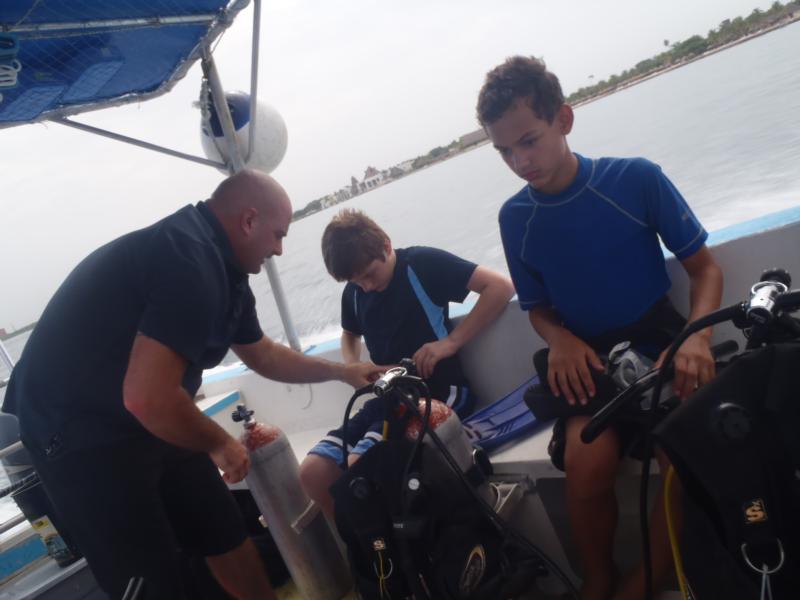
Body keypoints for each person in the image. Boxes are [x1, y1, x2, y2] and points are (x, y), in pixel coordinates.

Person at [2, 170, 384, 600]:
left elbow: (263, 354)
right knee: (151, 580)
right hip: (79, 434)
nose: (279, 249)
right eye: (278, 235)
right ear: (248, 220)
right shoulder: (188, 260)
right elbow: (146, 397)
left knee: (223, 529)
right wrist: (220, 442)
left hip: (153, 413)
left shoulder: (226, 272)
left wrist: (342, 371)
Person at [477, 56, 723, 600]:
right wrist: (558, 338)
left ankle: (644, 581)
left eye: (529, 141)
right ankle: (599, 577)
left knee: (679, 456)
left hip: (660, 339)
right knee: (587, 460)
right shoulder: (515, 217)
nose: (520, 161)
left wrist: (697, 337)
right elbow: (537, 307)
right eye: (504, 151)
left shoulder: (635, 179)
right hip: (584, 353)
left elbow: (705, 269)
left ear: (564, 119)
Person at [299, 209, 515, 516]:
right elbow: (349, 333)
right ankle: (372, 552)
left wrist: (449, 343)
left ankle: (403, 550)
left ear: (386, 246)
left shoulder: (422, 264)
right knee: (313, 473)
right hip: (387, 399)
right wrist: (351, 365)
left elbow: (500, 287)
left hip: (438, 392)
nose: (366, 287)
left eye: (370, 275)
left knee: (359, 466)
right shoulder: (356, 290)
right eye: (355, 281)